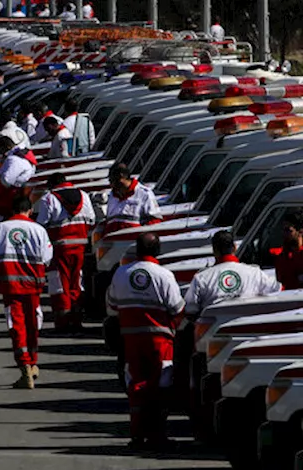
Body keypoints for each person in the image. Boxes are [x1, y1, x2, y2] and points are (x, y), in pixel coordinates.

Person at [107, 234, 185, 450]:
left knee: (136, 385)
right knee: (161, 385)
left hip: (131, 338)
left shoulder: (121, 273)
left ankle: (137, 434)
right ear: (157, 251)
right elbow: (177, 308)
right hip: (160, 340)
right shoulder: (164, 275)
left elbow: (112, 305)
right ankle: (157, 435)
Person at [0, 196, 53, 389]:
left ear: (12, 210)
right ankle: (32, 362)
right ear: (30, 210)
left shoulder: (1, 228)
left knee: (16, 325)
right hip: (33, 285)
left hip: (10, 286)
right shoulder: (39, 230)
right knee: (33, 323)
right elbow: (47, 257)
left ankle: (24, 367)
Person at [34, 172, 96, 332]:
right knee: (77, 282)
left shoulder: (48, 199)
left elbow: (41, 225)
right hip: (80, 246)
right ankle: (76, 319)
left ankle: (62, 321)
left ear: (51, 185)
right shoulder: (83, 195)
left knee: (59, 284)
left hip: (59, 248)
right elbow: (92, 219)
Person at [186, 230, 280, 319]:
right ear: (235, 247)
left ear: (214, 251)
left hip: (211, 331)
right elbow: (278, 290)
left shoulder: (202, 278)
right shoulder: (255, 273)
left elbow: (190, 309)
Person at [102, 162, 161, 236]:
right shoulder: (112, 195)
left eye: (111, 180)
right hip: (113, 243)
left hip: (132, 243)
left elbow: (155, 221)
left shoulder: (144, 193)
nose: (110, 184)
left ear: (121, 177)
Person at [275, 213, 303, 290]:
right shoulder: (281, 257)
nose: (285, 234)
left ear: (300, 232)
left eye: (288, 230)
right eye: (283, 230)